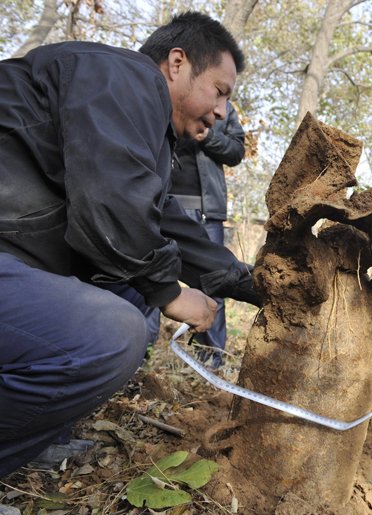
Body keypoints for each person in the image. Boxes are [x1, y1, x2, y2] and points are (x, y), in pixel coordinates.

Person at [0, 12, 260, 478]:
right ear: (177, 63)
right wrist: (169, 291)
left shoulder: (143, 126)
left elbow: (162, 220)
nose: (223, 112)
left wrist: (253, 285)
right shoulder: (122, 76)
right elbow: (109, 197)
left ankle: (33, 436)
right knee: (113, 334)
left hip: (15, 253)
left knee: (130, 299)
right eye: (220, 91)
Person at [156, 99, 245, 367]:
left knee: (216, 279)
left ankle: (212, 360)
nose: (217, 107)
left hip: (207, 209)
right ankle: (144, 350)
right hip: (160, 205)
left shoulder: (225, 110)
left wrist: (208, 136)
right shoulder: (167, 97)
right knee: (149, 269)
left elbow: (236, 151)